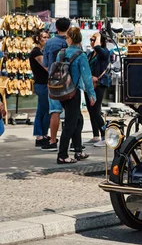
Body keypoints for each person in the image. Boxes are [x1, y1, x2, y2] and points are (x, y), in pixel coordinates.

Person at [56, 27, 96, 164]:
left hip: (61, 92)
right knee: (70, 124)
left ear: (70, 38)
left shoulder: (61, 53)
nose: (66, 39)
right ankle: (62, 155)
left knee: (77, 120)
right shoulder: (81, 55)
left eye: (67, 37)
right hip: (73, 93)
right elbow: (87, 77)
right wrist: (91, 94)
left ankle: (78, 150)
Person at [41, 17, 70, 151]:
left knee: (55, 111)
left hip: (54, 81)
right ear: (68, 28)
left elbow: (45, 64)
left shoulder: (50, 42)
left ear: (56, 28)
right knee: (73, 112)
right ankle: (74, 142)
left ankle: (53, 140)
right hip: (71, 81)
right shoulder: (72, 41)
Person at [85, 32, 111, 147]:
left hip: (100, 83)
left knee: (96, 110)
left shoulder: (104, 52)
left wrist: (98, 39)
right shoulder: (90, 54)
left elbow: (101, 51)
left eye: (94, 40)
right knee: (91, 110)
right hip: (89, 84)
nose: (91, 42)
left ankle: (104, 135)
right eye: (91, 40)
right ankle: (95, 135)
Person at [29, 29, 50, 147]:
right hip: (41, 84)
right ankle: (40, 135)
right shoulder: (36, 52)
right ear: (38, 39)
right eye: (44, 38)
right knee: (43, 110)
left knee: (43, 109)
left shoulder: (42, 51)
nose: (46, 40)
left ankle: (42, 134)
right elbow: (46, 66)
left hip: (44, 84)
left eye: (47, 37)